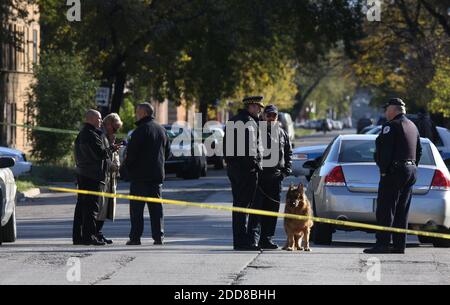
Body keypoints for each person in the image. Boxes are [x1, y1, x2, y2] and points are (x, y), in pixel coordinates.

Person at [364, 98, 422, 254]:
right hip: (410, 171)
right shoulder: (412, 126)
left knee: (385, 209)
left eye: (386, 109)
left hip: (394, 171)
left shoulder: (391, 126)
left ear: (394, 110)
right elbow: (419, 150)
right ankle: (398, 245)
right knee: (402, 211)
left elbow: (385, 152)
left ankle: (382, 244)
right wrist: (412, 165)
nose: (385, 112)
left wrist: (383, 170)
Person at [124, 103, 171, 246]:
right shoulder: (162, 130)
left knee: (137, 210)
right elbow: (167, 153)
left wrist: (127, 168)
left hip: (140, 177)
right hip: (156, 176)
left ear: (144, 113)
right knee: (156, 209)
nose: (136, 114)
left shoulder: (139, 131)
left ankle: (135, 237)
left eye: (138, 112)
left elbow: (131, 154)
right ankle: (158, 236)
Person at [248, 104, 293, 249]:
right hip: (260, 177)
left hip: (276, 177)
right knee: (257, 211)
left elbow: (288, 153)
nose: (271, 118)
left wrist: (286, 171)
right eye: (268, 115)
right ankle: (253, 240)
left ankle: (267, 239)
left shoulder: (282, 133)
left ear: (277, 117)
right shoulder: (256, 132)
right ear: (263, 116)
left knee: (272, 211)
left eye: (274, 115)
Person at [223, 96, 264, 251]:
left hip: (234, 169)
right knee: (245, 206)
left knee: (238, 205)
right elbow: (250, 149)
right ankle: (243, 242)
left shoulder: (233, 121)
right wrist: (256, 166)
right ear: (250, 107)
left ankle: (239, 240)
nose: (260, 110)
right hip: (247, 170)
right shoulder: (249, 123)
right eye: (258, 107)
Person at [73, 109, 117, 246]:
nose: (100, 121)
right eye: (98, 119)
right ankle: (89, 236)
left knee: (81, 206)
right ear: (90, 119)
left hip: (83, 173)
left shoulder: (82, 134)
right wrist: (112, 148)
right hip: (92, 175)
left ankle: (78, 237)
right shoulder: (91, 134)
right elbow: (100, 154)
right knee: (91, 207)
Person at [96, 113, 123, 245]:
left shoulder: (109, 137)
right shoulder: (101, 136)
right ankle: (96, 233)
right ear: (108, 124)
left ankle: (99, 232)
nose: (116, 131)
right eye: (115, 128)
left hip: (110, 177)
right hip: (103, 176)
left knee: (107, 206)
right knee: (101, 206)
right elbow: (101, 155)